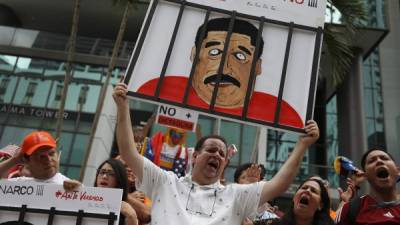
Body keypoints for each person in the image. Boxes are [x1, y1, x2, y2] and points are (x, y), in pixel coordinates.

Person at [113, 82, 319, 225]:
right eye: (211, 150)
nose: (218, 156)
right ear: (194, 156)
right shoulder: (166, 182)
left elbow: (279, 185)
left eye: (222, 154)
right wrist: (123, 107)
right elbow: (128, 152)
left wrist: (302, 145)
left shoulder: (236, 194)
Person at [137, 17, 303, 128]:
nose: (224, 68)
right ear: (194, 55)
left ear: (258, 66)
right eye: (215, 52)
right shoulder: (158, 88)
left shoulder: (282, 113)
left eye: (240, 56)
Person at [335, 148, 400, 225]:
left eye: (384, 158)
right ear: (365, 175)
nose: (379, 161)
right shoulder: (352, 209)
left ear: (398, 171)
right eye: (371, 161)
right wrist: (344, 202)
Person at [0, 131, 80, 190]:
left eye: (51, 153)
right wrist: (15, 160)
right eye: (41, 156)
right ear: (27, 161)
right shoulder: (18, 186)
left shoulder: (70, 187)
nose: (48, 159)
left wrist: (78, 192)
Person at [94, 159, 138, 225]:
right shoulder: (83, 199)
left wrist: (132, 218)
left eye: (111, 174)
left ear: (119, 179)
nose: (104, 176)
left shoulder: (127, 212)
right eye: (102, 172)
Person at [115, 155, 151, 225]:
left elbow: (148, 214)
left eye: (134, 167)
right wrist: (127, 197)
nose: (130, 169)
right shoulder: (107, 184)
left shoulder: (143, 193)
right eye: (125, 166)